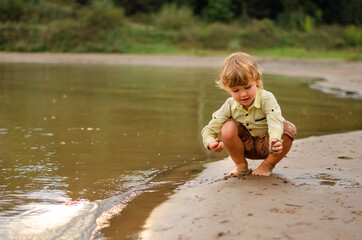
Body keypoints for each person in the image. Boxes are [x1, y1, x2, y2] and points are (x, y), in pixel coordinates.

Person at [201, 52, 297, 177]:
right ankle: (241, 165)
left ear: (257, 80)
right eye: (236, 90)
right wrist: (210, 142)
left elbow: (275, 122)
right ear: (227, 88)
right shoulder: (229, 105)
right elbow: (209, 129)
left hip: (270, 146)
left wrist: (274, 139)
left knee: (288, 128)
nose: (243, 94)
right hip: (245, 147)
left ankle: (267, 165)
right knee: (227, 127)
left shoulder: (266, 98)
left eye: (247, 87)